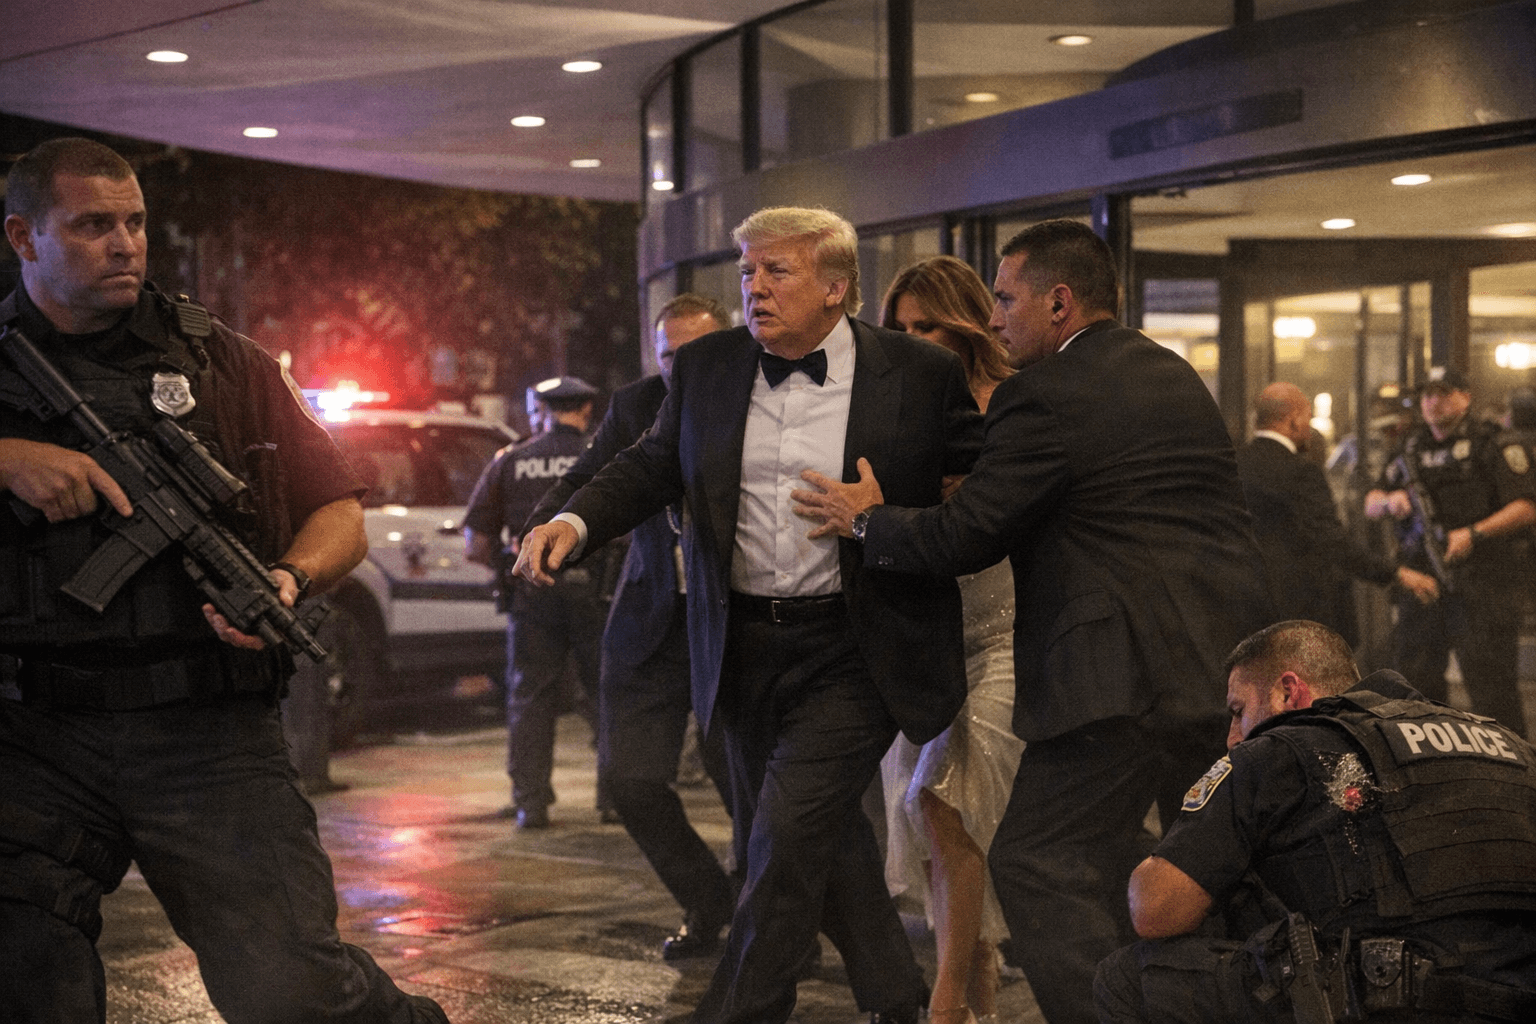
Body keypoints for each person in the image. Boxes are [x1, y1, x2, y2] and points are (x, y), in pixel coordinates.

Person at [0, 137, 447, 1022]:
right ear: (23, 237)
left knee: (292, 986)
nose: (126, 243)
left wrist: (287, 578)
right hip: (32, 735)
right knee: (25, 983)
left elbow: (339, 513)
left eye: (134, 222)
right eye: (93, 225)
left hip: (206, 735)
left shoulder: (219, 359)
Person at [792, 219, 1273, 1024]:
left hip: (1118, 678)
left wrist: (868, 520)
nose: (994, 317)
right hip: (1218, 667)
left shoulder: (1042, 394)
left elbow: (968, 532)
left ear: (1059, 302)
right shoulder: (1172, 372)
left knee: (1037, 861)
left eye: (1007, 298)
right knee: (1193, 868)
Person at [514, 206, 984, 1024]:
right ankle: (894, 997)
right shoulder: (708, 369)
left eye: (778, 272)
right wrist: (573, 522)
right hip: (738, 646)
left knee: (782, 835)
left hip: (854, 645)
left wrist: (890, 516)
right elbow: (650, 464)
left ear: (838, 288)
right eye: (748, 273)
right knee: (816, 839)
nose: (754, 289)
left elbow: (986, 490)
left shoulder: (917, 374)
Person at [1095, 619, 1536, 1024]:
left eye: (1237, 709)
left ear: (1289, 692)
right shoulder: (1512, 746)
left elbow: (1154, 910)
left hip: (1387, 1004)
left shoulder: (1280, 748)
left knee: (1126, 977)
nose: (1232, 735)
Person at [526, 293, 740, 960]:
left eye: (693, 354)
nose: (680, 368)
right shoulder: (635, 405)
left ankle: (782, 914)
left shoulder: (756, 394)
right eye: (668, 355)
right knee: (630, 779)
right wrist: (546, 524)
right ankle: (709, 901)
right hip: (650, 614)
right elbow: (590, 482)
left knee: (742, 774)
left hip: (733, 618)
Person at [878, 256, 1022, 1024]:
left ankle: (942, 1005)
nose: (913, 340)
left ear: (964, 323)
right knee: (931, 826)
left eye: (927, 324)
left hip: (1005, 627)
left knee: (946, 804)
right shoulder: (894, 406)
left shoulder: (1011, 403)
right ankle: (979, 988)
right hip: (925, 634)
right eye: (899, 328)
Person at [464, 374, 606, 829]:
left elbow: (475, 543)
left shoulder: (511, 460)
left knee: (531, 695)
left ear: (544, 411)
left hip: (533, 596)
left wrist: (511, 570)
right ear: (584, 411)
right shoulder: (604, 456)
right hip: (599, 593)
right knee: (608, 693)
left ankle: (531, 803)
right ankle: (617, 798)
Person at [1363, 366, 1536, 737]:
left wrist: (1475, 533)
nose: (1433, 403)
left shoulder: (1493, 442)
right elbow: (1370, 502)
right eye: (1427, 395)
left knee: (1493, 693)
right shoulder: (1410, 447)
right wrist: (1389, 500)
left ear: (1465, 397)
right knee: (1415, 691)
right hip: (1423, 584)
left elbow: (1525, 507)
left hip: (1482, 585)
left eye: (1443, 394)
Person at [1237, 381, 1439, 646]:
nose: (1309, 429)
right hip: (1297, 613)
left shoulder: (1232, 465)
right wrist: (1396, 573)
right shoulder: (1301, 472)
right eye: (1308, 419)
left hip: (1243, 606)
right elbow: (1331, 541)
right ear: (1294, 421)